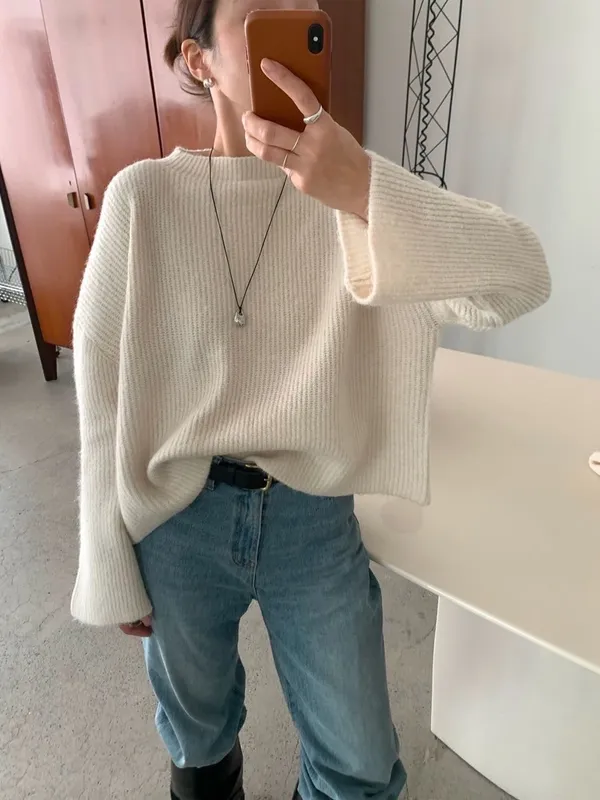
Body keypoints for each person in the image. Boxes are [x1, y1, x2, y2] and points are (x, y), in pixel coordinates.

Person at [70, 0, 551, 798]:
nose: (296, 22)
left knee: (359, 765)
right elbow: (101, 388)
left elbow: (522, 278)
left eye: (305, 11)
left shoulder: (353, 193)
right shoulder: (142, 197)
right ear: (198, 60)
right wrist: (107, 558)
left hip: (312, 517)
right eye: (264, 16)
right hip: (175, 519)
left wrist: (363, 188)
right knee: (196, 734)